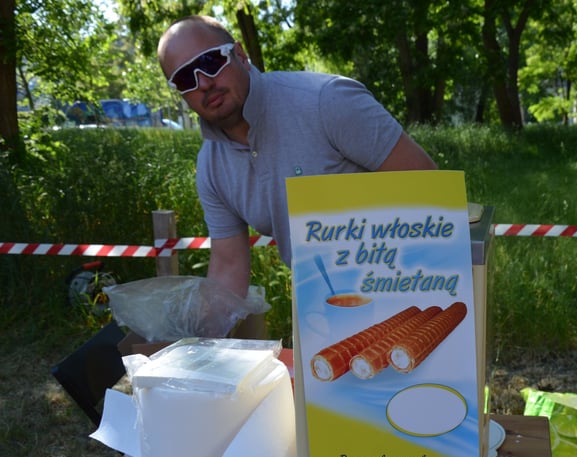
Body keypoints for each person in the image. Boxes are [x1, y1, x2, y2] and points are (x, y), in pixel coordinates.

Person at [157, 15, 437, 298]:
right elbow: (229, 267)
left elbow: (430, 189)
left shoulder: (327, 102)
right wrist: (198, 339)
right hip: (323, 304)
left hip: (408, 285)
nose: (203, 82)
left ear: (240, 55)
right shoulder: (211, 165)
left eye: (210, 61)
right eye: (184, 78)